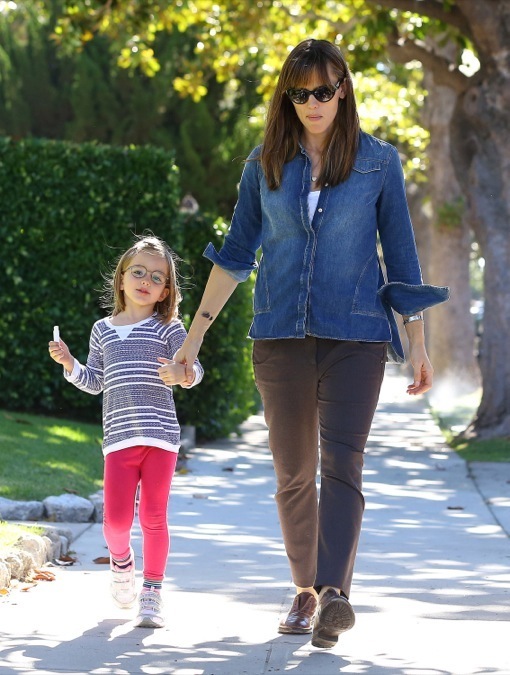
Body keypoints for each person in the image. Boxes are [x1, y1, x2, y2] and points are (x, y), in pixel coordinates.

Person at [173, 39, 449, 649]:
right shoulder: (265, 163)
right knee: (294, 472)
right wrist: (193, 338)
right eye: (299, 94)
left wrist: (418, 342)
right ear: (288, 98)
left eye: (323, 90)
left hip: (357, 337)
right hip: (280, 337)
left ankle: (334, 596)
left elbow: (401, 257)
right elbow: (235, 255)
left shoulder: (379, 162)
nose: (313, 103)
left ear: (343, 89)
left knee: (343, 465)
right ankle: (305, 589)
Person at [48, 234, 203, 629]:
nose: (145, 280)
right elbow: (96, 380)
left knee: (153, 516)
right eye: (138, 272)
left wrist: (182, 373)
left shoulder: (169, 327)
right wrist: (70, 364)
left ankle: (151, 592)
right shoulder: (102, 330)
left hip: (160, 438)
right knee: (115, 523)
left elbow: (194, 368)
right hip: (118, 439)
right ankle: (121, 563)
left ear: (165, 291)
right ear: (121, 278)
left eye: (156, 277)